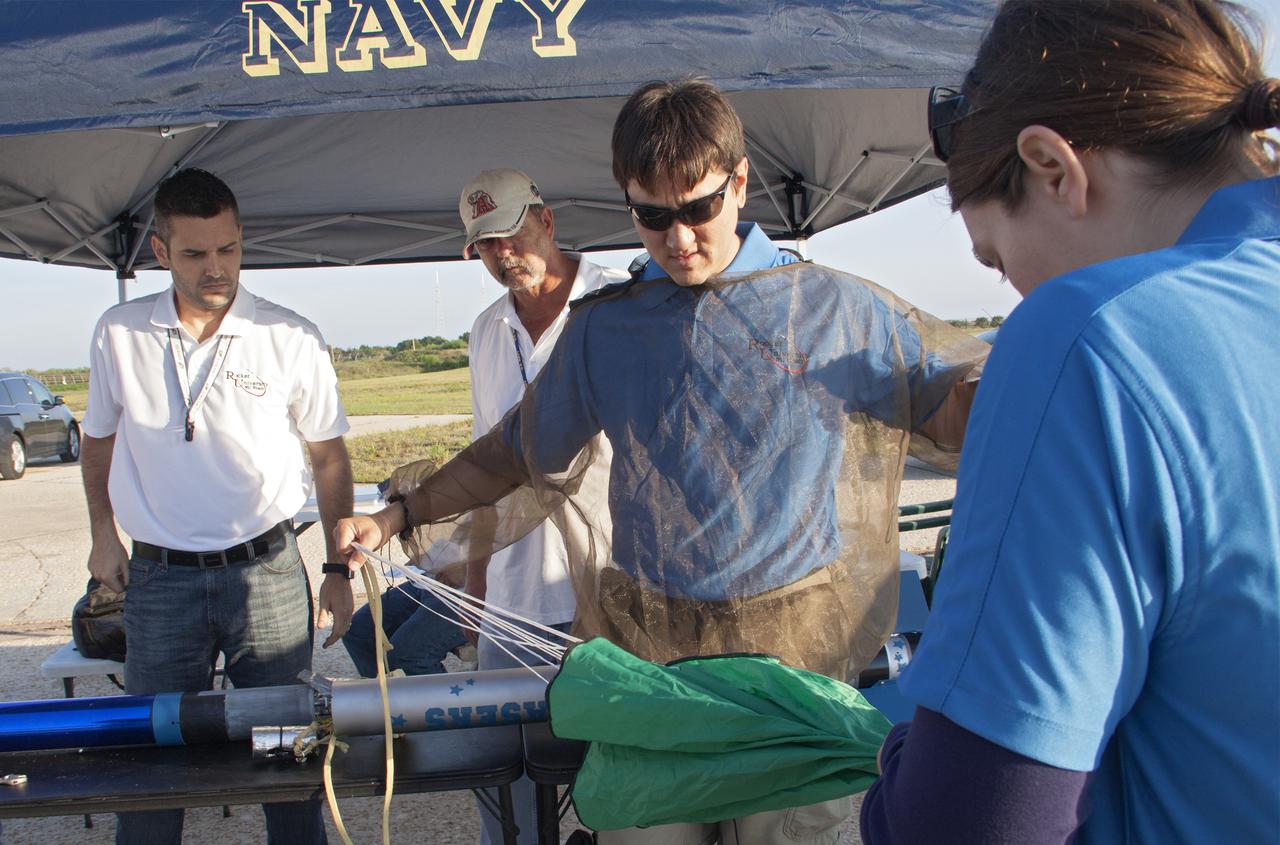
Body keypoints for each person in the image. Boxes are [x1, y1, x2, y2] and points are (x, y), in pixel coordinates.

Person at [336, 81, 988, 844]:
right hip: (655, 671)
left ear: (739, 182)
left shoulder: (832, 309)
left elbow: (951, 406)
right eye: (652, 216)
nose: (677, 238)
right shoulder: (606, 331)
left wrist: (1025, 381)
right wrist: (398, 513)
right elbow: (513, 451)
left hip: (794, 671)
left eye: (698, 209)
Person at [860, 2, 1280, 842]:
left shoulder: (1090, 337)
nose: (1016, 294)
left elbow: (973, 822)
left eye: (999, 259)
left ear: (1053, 167)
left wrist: (896, 773)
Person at [343, 168, 627, 844]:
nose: (502, 256)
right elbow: (482, 467)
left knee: (620, 786)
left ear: (547, 220)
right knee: (509, 789)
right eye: (484, 247)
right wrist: (475, 589)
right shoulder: (486, 330)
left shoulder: (620, 300)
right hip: (512, 604)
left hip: (613, 596)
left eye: (510, 235)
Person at [81, 167, 354, 845]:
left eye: (228, 250)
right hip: (160, 580)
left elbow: (330, 458)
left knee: (288, 759)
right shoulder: (119, 333)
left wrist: (338, 570)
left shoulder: (290, 334)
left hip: (266, 575)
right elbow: (97, 440)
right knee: (155, 769)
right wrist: (102, 534)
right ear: (159, 252)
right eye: (196, 253)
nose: (216, 269)